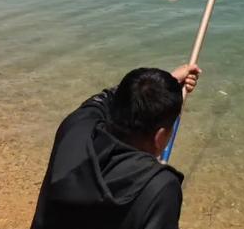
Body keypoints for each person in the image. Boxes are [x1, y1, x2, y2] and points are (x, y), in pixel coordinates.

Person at [31, 64, 201, 229]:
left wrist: (161, 85)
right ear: (160, 137)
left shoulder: (75, 128)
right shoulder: (158, 187)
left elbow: (106, 98)